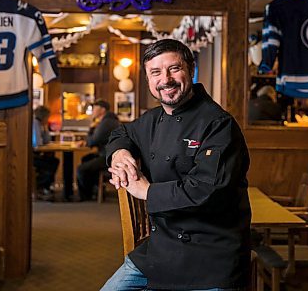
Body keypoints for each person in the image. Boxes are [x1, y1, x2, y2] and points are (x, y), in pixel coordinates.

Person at [101, 39, 251, 291]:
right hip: (160, 248)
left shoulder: (218, 124)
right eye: (155, 72)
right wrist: (120, 155)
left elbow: (206, 190)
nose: (165, 80)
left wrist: (146, 191)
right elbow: (120, 134)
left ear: (191, 70)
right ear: (148, 79)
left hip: (210, 254)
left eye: (174, 69)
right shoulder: (152, 119)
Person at [76, 99, 120, 201]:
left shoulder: (107, 122)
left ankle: (86, 196)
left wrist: (91, 128)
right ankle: (94, 189)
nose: (93, 111)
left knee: (81, 169)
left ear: (102, 110)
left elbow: (93, 140)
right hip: (108, 154)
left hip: (108, 157)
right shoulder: (107, 120)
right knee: (85, 159)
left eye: (95, 108)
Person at [32, 106, 59, 201]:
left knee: (54, 161)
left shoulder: (40, 124)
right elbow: (37, 143)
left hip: (37, 155)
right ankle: (41, 187)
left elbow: (47, 140)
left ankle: (45, 186)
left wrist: (46, 127)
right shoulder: (34, 123)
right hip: (31, 157)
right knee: (50, 164)